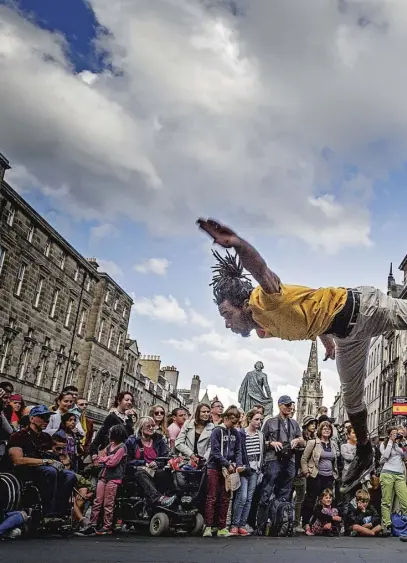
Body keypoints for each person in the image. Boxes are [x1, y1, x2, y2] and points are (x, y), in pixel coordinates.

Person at [197, 218, 407, 491]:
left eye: (227, 314)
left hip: (365, 308)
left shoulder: (262, 299)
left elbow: (262, 271)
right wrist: (326, 341)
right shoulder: (265, 329)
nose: (227, 323)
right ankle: (365, 452)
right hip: (346, 336)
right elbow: (307, 311)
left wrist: (237, 243)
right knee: (353, 398)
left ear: (241, 304)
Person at [7, 405, 76, 516]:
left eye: (48, 417)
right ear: (31, 419)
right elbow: (18, 460)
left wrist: (61, 459)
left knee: (70, 475)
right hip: (25, 472)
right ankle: (47, 512)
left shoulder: (46, 437)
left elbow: (53, 455)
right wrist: (46, 461)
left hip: (43, 470)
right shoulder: (19, 436)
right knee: (50, 471)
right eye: (42, 417)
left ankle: (60, 510)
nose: (46, 420)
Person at [257, 395, 304, 534]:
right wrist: (271, 443)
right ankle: (261, 526)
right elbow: (261, 441)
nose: (289, 408)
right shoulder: (270, 422)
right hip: (273, 460)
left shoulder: (294, 424)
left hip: (290, 460)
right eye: (287, 405)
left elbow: (303, 441)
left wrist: (297, 441)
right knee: (267, 493)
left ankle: (280, 525)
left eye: (291, 405)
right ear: (280, 405)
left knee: (285, 494)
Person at [203, 405, 244, 538]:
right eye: (232, 421)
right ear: (226, 418)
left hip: (229, 470)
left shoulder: (235, 433)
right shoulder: (217, 431)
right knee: (212, 497)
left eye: (236, 422)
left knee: (225, 498)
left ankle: (221, 526)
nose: (233, 425)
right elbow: (215, 451)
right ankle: (208, 526)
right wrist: (226, 463)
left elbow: (238, 450)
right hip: (214, 467)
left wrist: (237, 464)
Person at [126, 416, 175, 507]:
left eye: (153, 426)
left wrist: (157, 463)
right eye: (148, 426)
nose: (152, 428)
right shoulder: (132, 441)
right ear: (140, 427)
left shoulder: (158, 439)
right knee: (140, 473)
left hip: (156, 470)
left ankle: (170, 498)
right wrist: (143, 463)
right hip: (138, 471)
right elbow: (126, 461)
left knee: (165, 473)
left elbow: (166, 456)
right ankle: (159, 498)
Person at [301, 420, 339, 535]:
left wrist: (335, 474)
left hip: (329, 477)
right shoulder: (313, 443)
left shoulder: (333, 444)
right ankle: (306, 524)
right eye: (324, 428)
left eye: (329, 428)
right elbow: (304, 459)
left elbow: (335, 460)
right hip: (316, 476)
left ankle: (324, 525)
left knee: (327, 502)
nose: (327, 430)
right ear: (320, 431)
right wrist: (306, 472)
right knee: (311, 501)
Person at [230, 408, 264, 536]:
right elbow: (238, 450)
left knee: (249, 498)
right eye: (256, 419)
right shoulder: (241, 433)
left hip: (255, 469)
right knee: (242, 497)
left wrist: (260, 467)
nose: (258, 422)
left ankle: (242, 524)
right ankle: (235, 524)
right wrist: (240, 465)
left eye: (260, 419)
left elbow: (261, 452)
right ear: (249, 419)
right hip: (244, 468)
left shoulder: (260, 435)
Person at [90, 424, 128, 535]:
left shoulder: (122, 447)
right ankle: (92, 523)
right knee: (97, 501)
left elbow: (112, 463)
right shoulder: (110, 445)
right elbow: (101, 456)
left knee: (108, 503)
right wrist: (106, 458)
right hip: (103, 476)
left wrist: (104, 459)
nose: (108, 435)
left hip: (114, 478)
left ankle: (107, 526)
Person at [379, 426, 407, 535]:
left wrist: (403, 444)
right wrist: (391, 441)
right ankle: (387, 525)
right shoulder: (384, 444)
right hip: (387, 473)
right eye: (394, 433)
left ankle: (404, 525)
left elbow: (405, 457)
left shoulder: (401, 444)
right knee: (386, 501)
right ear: (389, 434)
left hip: (399, 475)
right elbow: (385, 455)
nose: (397, 435)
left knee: (405, 500)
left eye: (398, 433)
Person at [90, 392, 134, 456]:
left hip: (124, 454)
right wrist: (94, 452)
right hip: (111, 454)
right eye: (127, 400)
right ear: (119, 401)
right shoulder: (111, 417)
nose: (130, 402)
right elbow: (101, 435)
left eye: (131, 400)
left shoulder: (129, 419)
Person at [293, 415, 317, 533]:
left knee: (304, 498)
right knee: (299, 498)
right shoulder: (301, 438)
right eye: (311, 423)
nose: (313, 425)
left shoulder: (314, 438)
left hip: (310, 472)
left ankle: (302, 521)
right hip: (299, 472)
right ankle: (296, 522)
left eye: (314, 423)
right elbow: (298, 457)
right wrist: (300, 469)